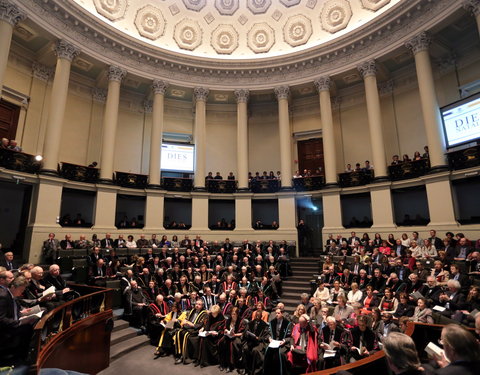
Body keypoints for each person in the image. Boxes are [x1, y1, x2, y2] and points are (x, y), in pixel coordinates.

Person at [173, 299, 207, 364]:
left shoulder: (204, 314)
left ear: (202, 306)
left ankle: (185, 356)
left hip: (195, 330)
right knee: (178, 332)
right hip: (188, 327)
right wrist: (183, 321)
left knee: (186, 335)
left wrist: (190, 324)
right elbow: (187, 319)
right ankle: (178, 354)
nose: (197, 305)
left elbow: (200, 325)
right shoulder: (192, 311)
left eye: (199, 304)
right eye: (196, 304)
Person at [263, 308, 292, 375]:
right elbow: (267, 334)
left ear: (282, 314)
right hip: (273, 342)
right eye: (276, 313)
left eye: (278, 313)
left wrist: (284, 340)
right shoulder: (272, 322)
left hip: (282, 343)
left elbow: (290, 337)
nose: (277, 314)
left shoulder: (288, 324)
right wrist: (269, 338)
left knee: (280, 354)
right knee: (267, 351)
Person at [218, 306, 245, 372]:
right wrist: (226, 331)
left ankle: (230, 365)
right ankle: (223, 363)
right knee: (221, 343)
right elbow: (224, 328)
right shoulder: (228, 320)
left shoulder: (241, 321)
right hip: (228, 336)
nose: (233, 315)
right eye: (232, 314)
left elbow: (243, 333)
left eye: (234, 314)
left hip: (237, 337)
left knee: (231, 345)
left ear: (237, 314)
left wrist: (235, 334)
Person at [242, 310, 269, 375]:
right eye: (256, 315)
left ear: (261, 316)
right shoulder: (250, 323)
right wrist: (247, 334)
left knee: (255, 350)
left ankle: (254, 371)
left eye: (258, 315)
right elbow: (245, 333)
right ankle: (246, 369)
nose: (257, 316)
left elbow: (266, 337)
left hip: (259, 343)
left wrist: (258, 338)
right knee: (245, 349)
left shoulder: (264, 325)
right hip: (250, 341)